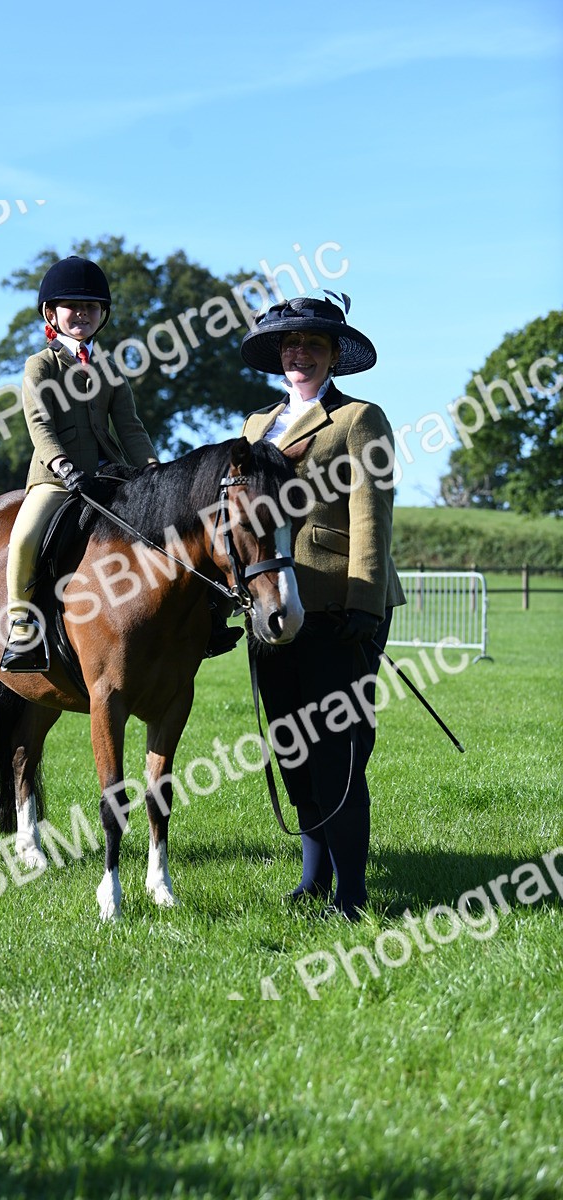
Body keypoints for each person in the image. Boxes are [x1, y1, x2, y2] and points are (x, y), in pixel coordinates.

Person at [239, 293, 405, 920]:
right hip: (273, 607)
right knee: (290, 746)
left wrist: (365, 602)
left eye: (312, 344)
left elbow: (372, 516)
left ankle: (353, 893)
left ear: (334, 355)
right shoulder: (256, 427)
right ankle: (313, 876)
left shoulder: (361, 419)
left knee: (338, 750)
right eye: (290, 344)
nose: (299, 353)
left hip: (340, 609)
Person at [0, 255, 159, 672]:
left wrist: (151, 469)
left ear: (102, 314)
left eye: (91, 307)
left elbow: (131, 426)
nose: (82, 314)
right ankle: (21, 626)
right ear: (53, 313)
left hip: (111, 473)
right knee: (24, 538)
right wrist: (64, 467)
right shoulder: (41, 364)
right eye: (73, 306)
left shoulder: (110, 368)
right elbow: (39, 421)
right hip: (55, 478)